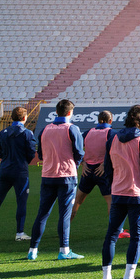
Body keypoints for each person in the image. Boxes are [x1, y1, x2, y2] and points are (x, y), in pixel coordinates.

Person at [98, 104, 140, 279]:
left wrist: (114, 185)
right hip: (137, 194)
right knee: (137, 237)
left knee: (111, 235)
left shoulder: (113, 138)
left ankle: (106, 278)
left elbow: (107, 168)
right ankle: (128, 278)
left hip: (118, 192)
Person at [27, 99, 85, 261]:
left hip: (48, 175)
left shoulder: (45, 129)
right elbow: (79, 153)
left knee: (42, 213)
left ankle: (32, 250)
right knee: (64, 214)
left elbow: (41, 154)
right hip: (66, 176)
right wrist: (74, 163)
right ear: (69, 113)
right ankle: (64, 250)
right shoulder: (72, 129)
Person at [0, 107, 37, 242]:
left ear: (12, 118)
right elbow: (31, 152)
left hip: (5, 170)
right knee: (21, 202)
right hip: (20, 171)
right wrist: (24, 161)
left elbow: (0, 152)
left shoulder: (3, 133)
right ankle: (20, 233)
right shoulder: (27, 133)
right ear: (25, 118)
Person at [71, 110, 113, 216]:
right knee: (111, 201)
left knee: (77, 201)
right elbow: (116, 151)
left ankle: (65, 227)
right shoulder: (111, 133)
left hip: (88, 170)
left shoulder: (88, 132)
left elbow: (75, 148)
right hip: (102, 171)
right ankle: (115, 231)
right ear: (110, 120)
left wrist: (83, 162)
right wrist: (104, 164)